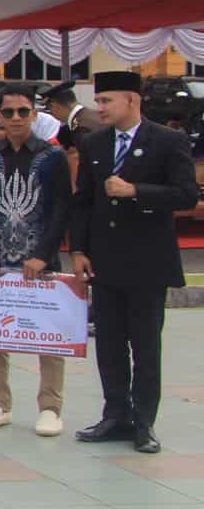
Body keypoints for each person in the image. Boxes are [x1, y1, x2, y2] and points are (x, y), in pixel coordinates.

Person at [71, 70, 197, 454]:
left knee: (145, 347)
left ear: (131, 100)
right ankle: (115, 414)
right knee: (109, 345)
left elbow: (185, 195)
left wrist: (136, 191)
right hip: (106, 260)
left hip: (147, 262)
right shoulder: (94, 143)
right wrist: (79, 250)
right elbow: (84, 201)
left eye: (107, 100)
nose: (100, 108)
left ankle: (144, 422)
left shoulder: (168, 140)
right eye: (98, 100)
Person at [0, 83, 71, 436]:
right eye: (8, 112)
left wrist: (44, 254)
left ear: (34, 114)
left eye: (23, 111)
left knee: (49, 334)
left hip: (40, 260)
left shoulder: (52, 157)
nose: (16, 118)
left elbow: (61, 209)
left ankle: (50, 407)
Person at [44, 80, 89, 151]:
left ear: (54, 106)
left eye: (50, 110)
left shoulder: (81, 127)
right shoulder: (89, 115)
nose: (53, 115)